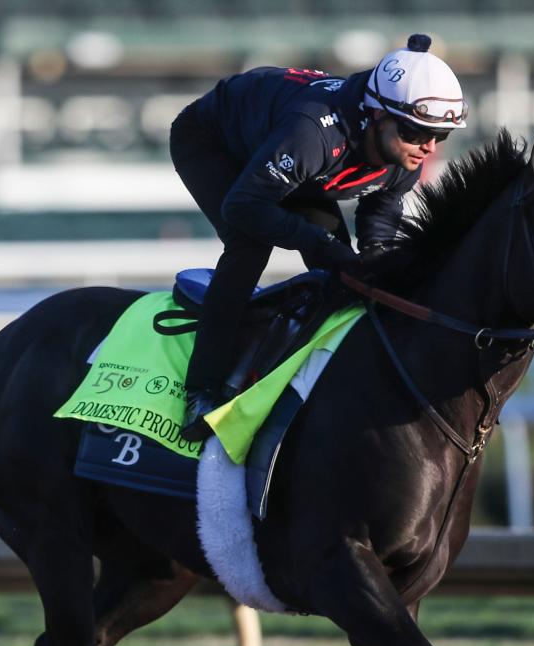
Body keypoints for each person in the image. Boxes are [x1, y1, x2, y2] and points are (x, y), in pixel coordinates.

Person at [169, 33, 468, 440]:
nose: (428, 147)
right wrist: (313, 241)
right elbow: (242, 206)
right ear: (378, 115)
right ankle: (202, 389)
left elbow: (381, 210)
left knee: (352, 276)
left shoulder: (406, 152)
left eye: (439, 136)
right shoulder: (315, 134)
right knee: (250, 244)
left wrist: (378, 258)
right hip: (216, 141)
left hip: (293, 160)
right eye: (415, 133)